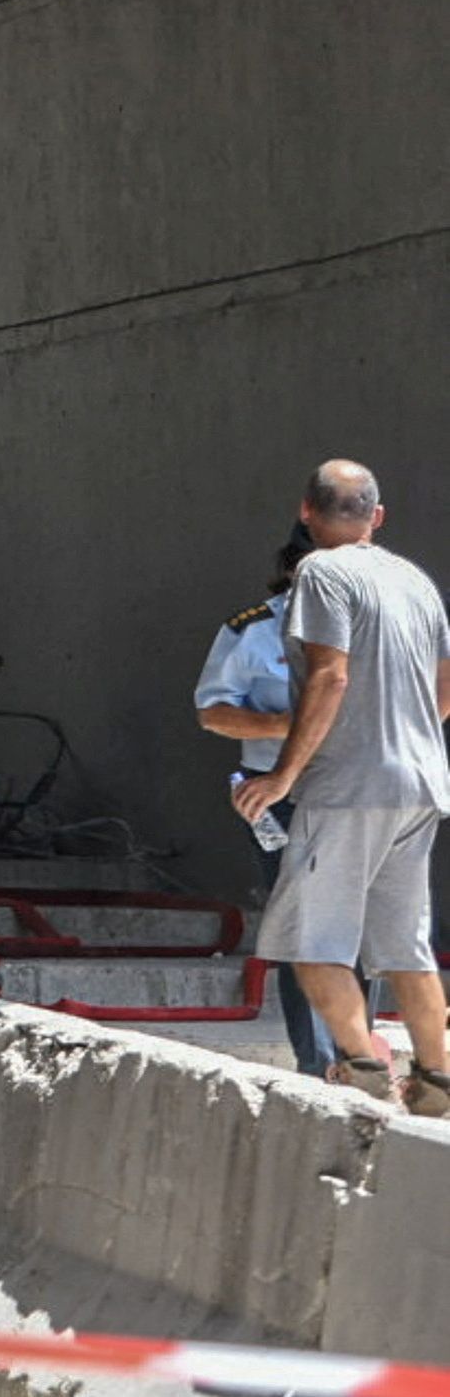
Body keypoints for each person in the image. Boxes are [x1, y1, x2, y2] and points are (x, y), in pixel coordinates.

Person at [233, 461, 450, 1111]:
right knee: (405, 947)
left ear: (306, 512)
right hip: (420, 784)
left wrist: (282, 774)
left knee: (310, 942)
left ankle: (360, 1067)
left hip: (349, 787)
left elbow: (328, 677)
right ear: (376, 516)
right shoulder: (414, 580)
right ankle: (436, 1081)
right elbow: (444, 690)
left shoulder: (320, 573)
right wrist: (402, 737)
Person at [193, 537, 339, 1073]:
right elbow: (213, 713)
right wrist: (289, 725)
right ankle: (318, 1063)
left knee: (356, 929)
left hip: (353, 791)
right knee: (305, 928)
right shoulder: (253, 630)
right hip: (276, 793)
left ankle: (356, 1057)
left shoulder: (372, 625)